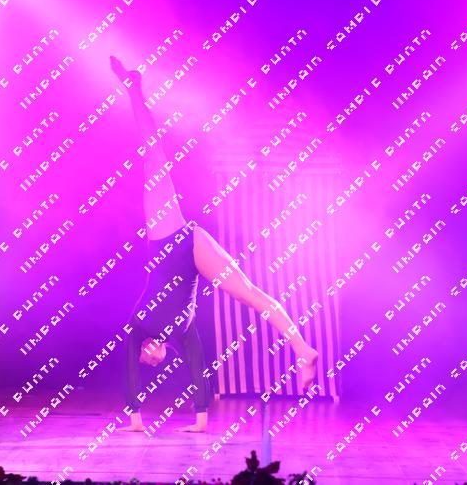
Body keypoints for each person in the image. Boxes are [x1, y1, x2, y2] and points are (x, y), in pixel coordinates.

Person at [111, 56, 319, 433]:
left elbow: (130, 366)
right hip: (191, 248)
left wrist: (134, 417)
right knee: (250, 294)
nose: (150, 356)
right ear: (161, 357)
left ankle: (134, 90)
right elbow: (198, 367)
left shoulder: (139, 326)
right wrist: (200, 420)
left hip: (168, 237)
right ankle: (303, 350)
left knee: (153, 157)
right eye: (153, 359)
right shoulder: (182, 333)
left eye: (146, 356)